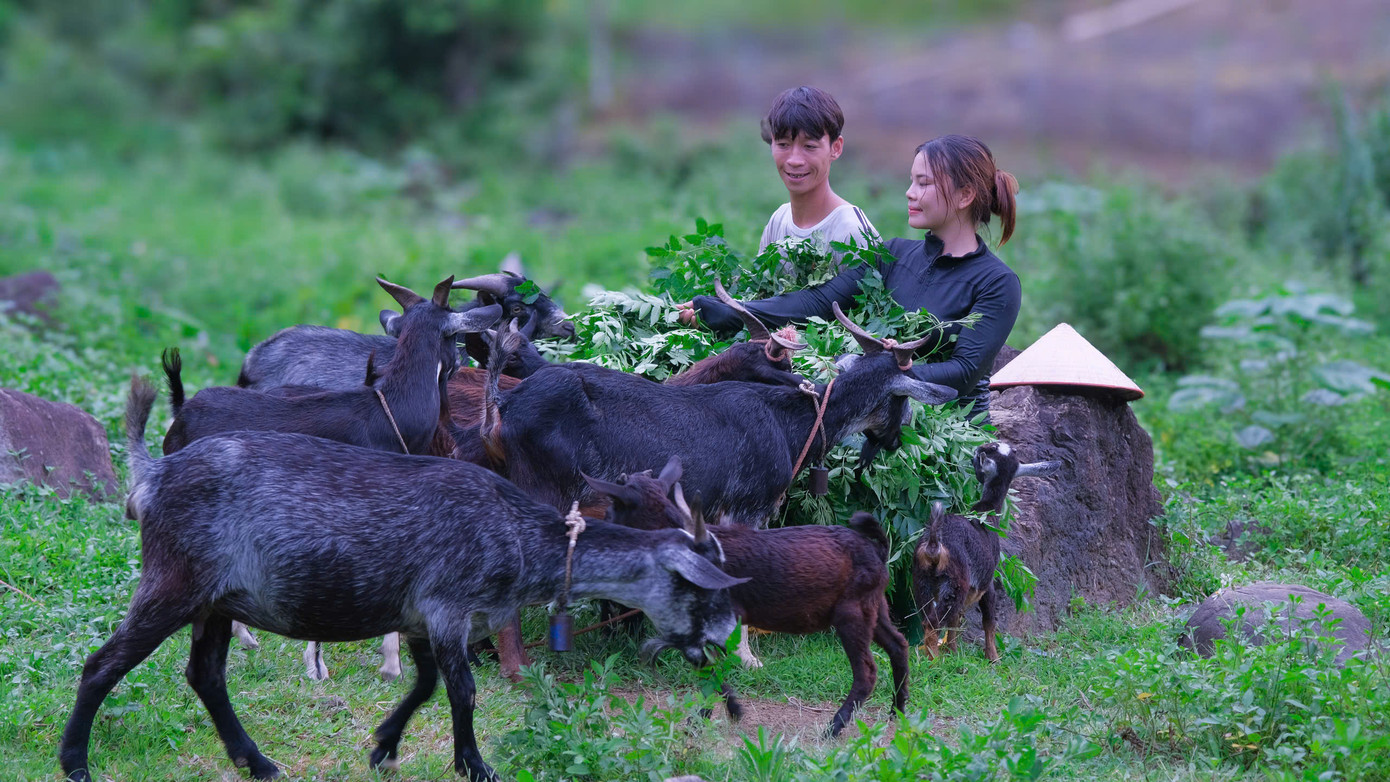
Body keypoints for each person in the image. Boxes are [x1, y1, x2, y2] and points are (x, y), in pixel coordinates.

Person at [678, 134, 1021, 423]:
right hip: (871, 409)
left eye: (924, 183)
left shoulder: (996, 282)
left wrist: (883, 371)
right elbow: (818, 302)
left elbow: (963, 372)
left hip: (947, 430)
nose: (909, 192)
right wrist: (738, 311)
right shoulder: (893, 255)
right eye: (911, 180)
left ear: (964, 196)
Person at [755, 86, 879, 261]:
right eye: (783, 145)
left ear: (835, 148)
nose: (794, 160)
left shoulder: (853, 233)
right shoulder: (778, 221)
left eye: (809, 146)